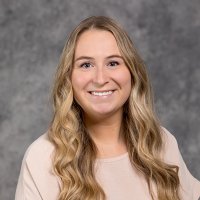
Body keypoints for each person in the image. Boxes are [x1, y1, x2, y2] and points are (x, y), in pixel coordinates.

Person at [15, 16, 200, 200]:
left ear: (132, 73)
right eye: (86, 65)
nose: (100, 79)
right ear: (68, 77)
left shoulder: (160, 142)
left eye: (113, 63)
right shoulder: (42, 158)